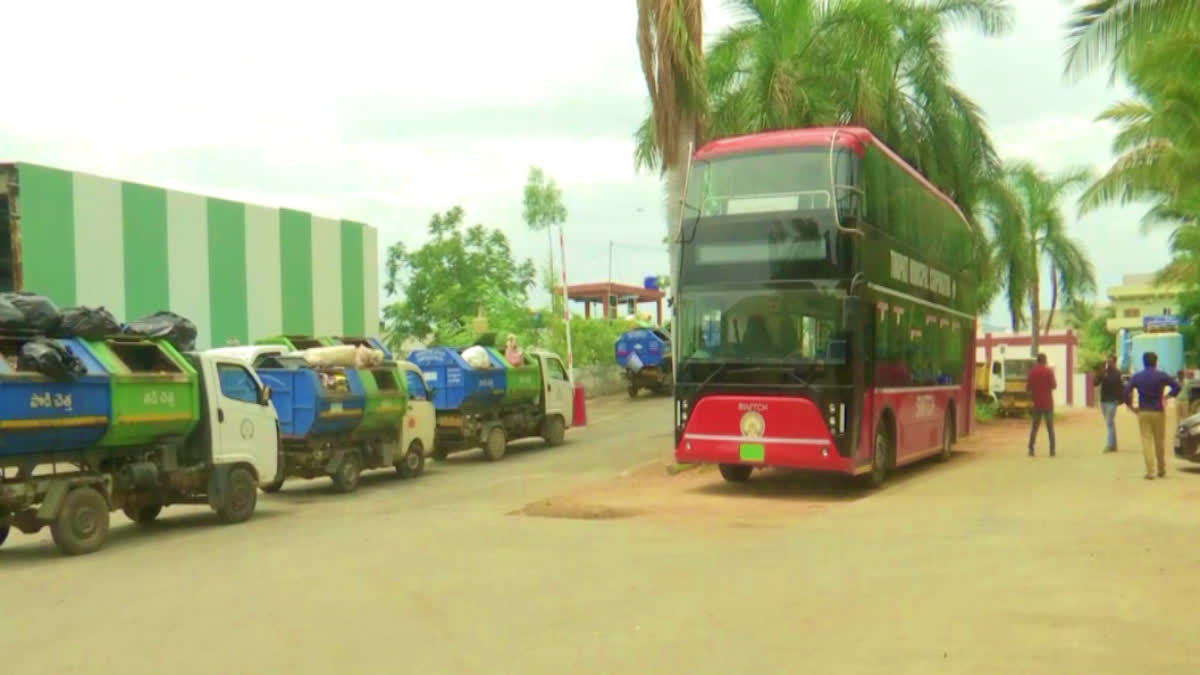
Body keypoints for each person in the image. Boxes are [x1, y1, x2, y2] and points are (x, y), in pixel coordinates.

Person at [1123, 351, 1181, 479]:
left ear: (1144, 362)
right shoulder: (1161, 376)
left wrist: (1131, 407)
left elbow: (1125, 391)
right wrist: (1168, 396)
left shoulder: (1137, 377)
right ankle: (1161, 469)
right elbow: (1177, 386)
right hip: (1158, 411)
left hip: (1143, 411)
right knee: (1159, 441)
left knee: (1146, 441)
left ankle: (1150, 471)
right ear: (1156, 362)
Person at [1026, 353, 1057, 457]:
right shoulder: (1049, 371)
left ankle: (1031, 449)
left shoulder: (1032, 372)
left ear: (1037, 360)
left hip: (1036, 403)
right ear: (1045, 361)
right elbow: (1054, 386)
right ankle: (1052, 450)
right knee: (1050, 428)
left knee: (1034, 427)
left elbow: (1028, 388)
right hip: (1048, 403)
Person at [1096, 355, 1123, 453]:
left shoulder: (1117, 373)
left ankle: (1109, 444)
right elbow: (1095, 383)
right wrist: (1100, 373)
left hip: (1112, 401)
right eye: (1107, 361)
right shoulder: (1103, 372)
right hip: (1103, 401)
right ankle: (1113, 445)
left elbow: (1120, 387)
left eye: (1110, 362)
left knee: (1109, 422)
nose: (1109, 363)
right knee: (1110, 422)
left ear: (1114, 362)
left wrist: (1120, 400)